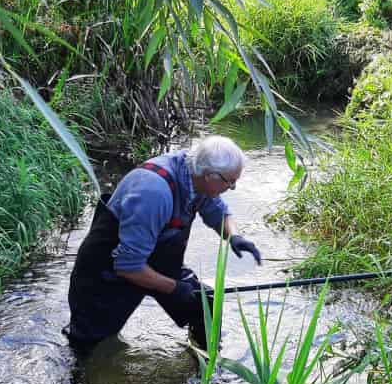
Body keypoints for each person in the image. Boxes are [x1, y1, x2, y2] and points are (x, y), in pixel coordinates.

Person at [65, 135, 262, 352]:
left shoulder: (196, 173)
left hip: (154, 261)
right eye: (230, 181)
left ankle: (204, 364)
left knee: (204, 304)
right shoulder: (153, 193)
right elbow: (127, 266)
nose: (233, 187)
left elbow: (216, 208)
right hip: (108, 273)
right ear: (209, 176)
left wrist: (234, 236)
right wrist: (174, 288)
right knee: (91, 349)